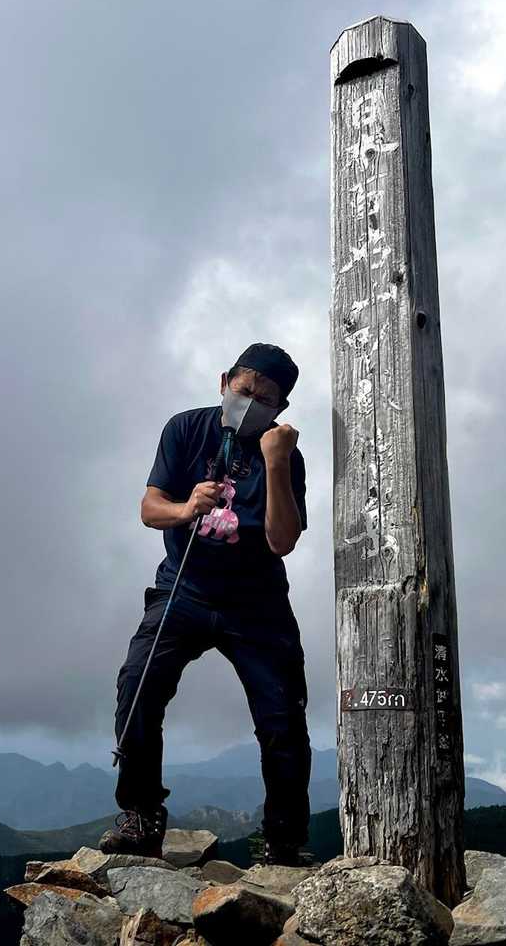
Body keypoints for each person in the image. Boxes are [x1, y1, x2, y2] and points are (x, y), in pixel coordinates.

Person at [101, 342, 313, 866]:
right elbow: (150, 508)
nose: (252, 403)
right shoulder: (185, 429)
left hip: (257, 602)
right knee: (137, 685)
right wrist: (186, 508)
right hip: (184, 588)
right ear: (224, 382)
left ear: (282, 408)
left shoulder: (286, 455)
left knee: (283, 719)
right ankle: (141, 815)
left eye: (267, 399)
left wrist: (276, 463)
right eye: (245, 390)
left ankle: (284, 841)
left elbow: (282, 540)